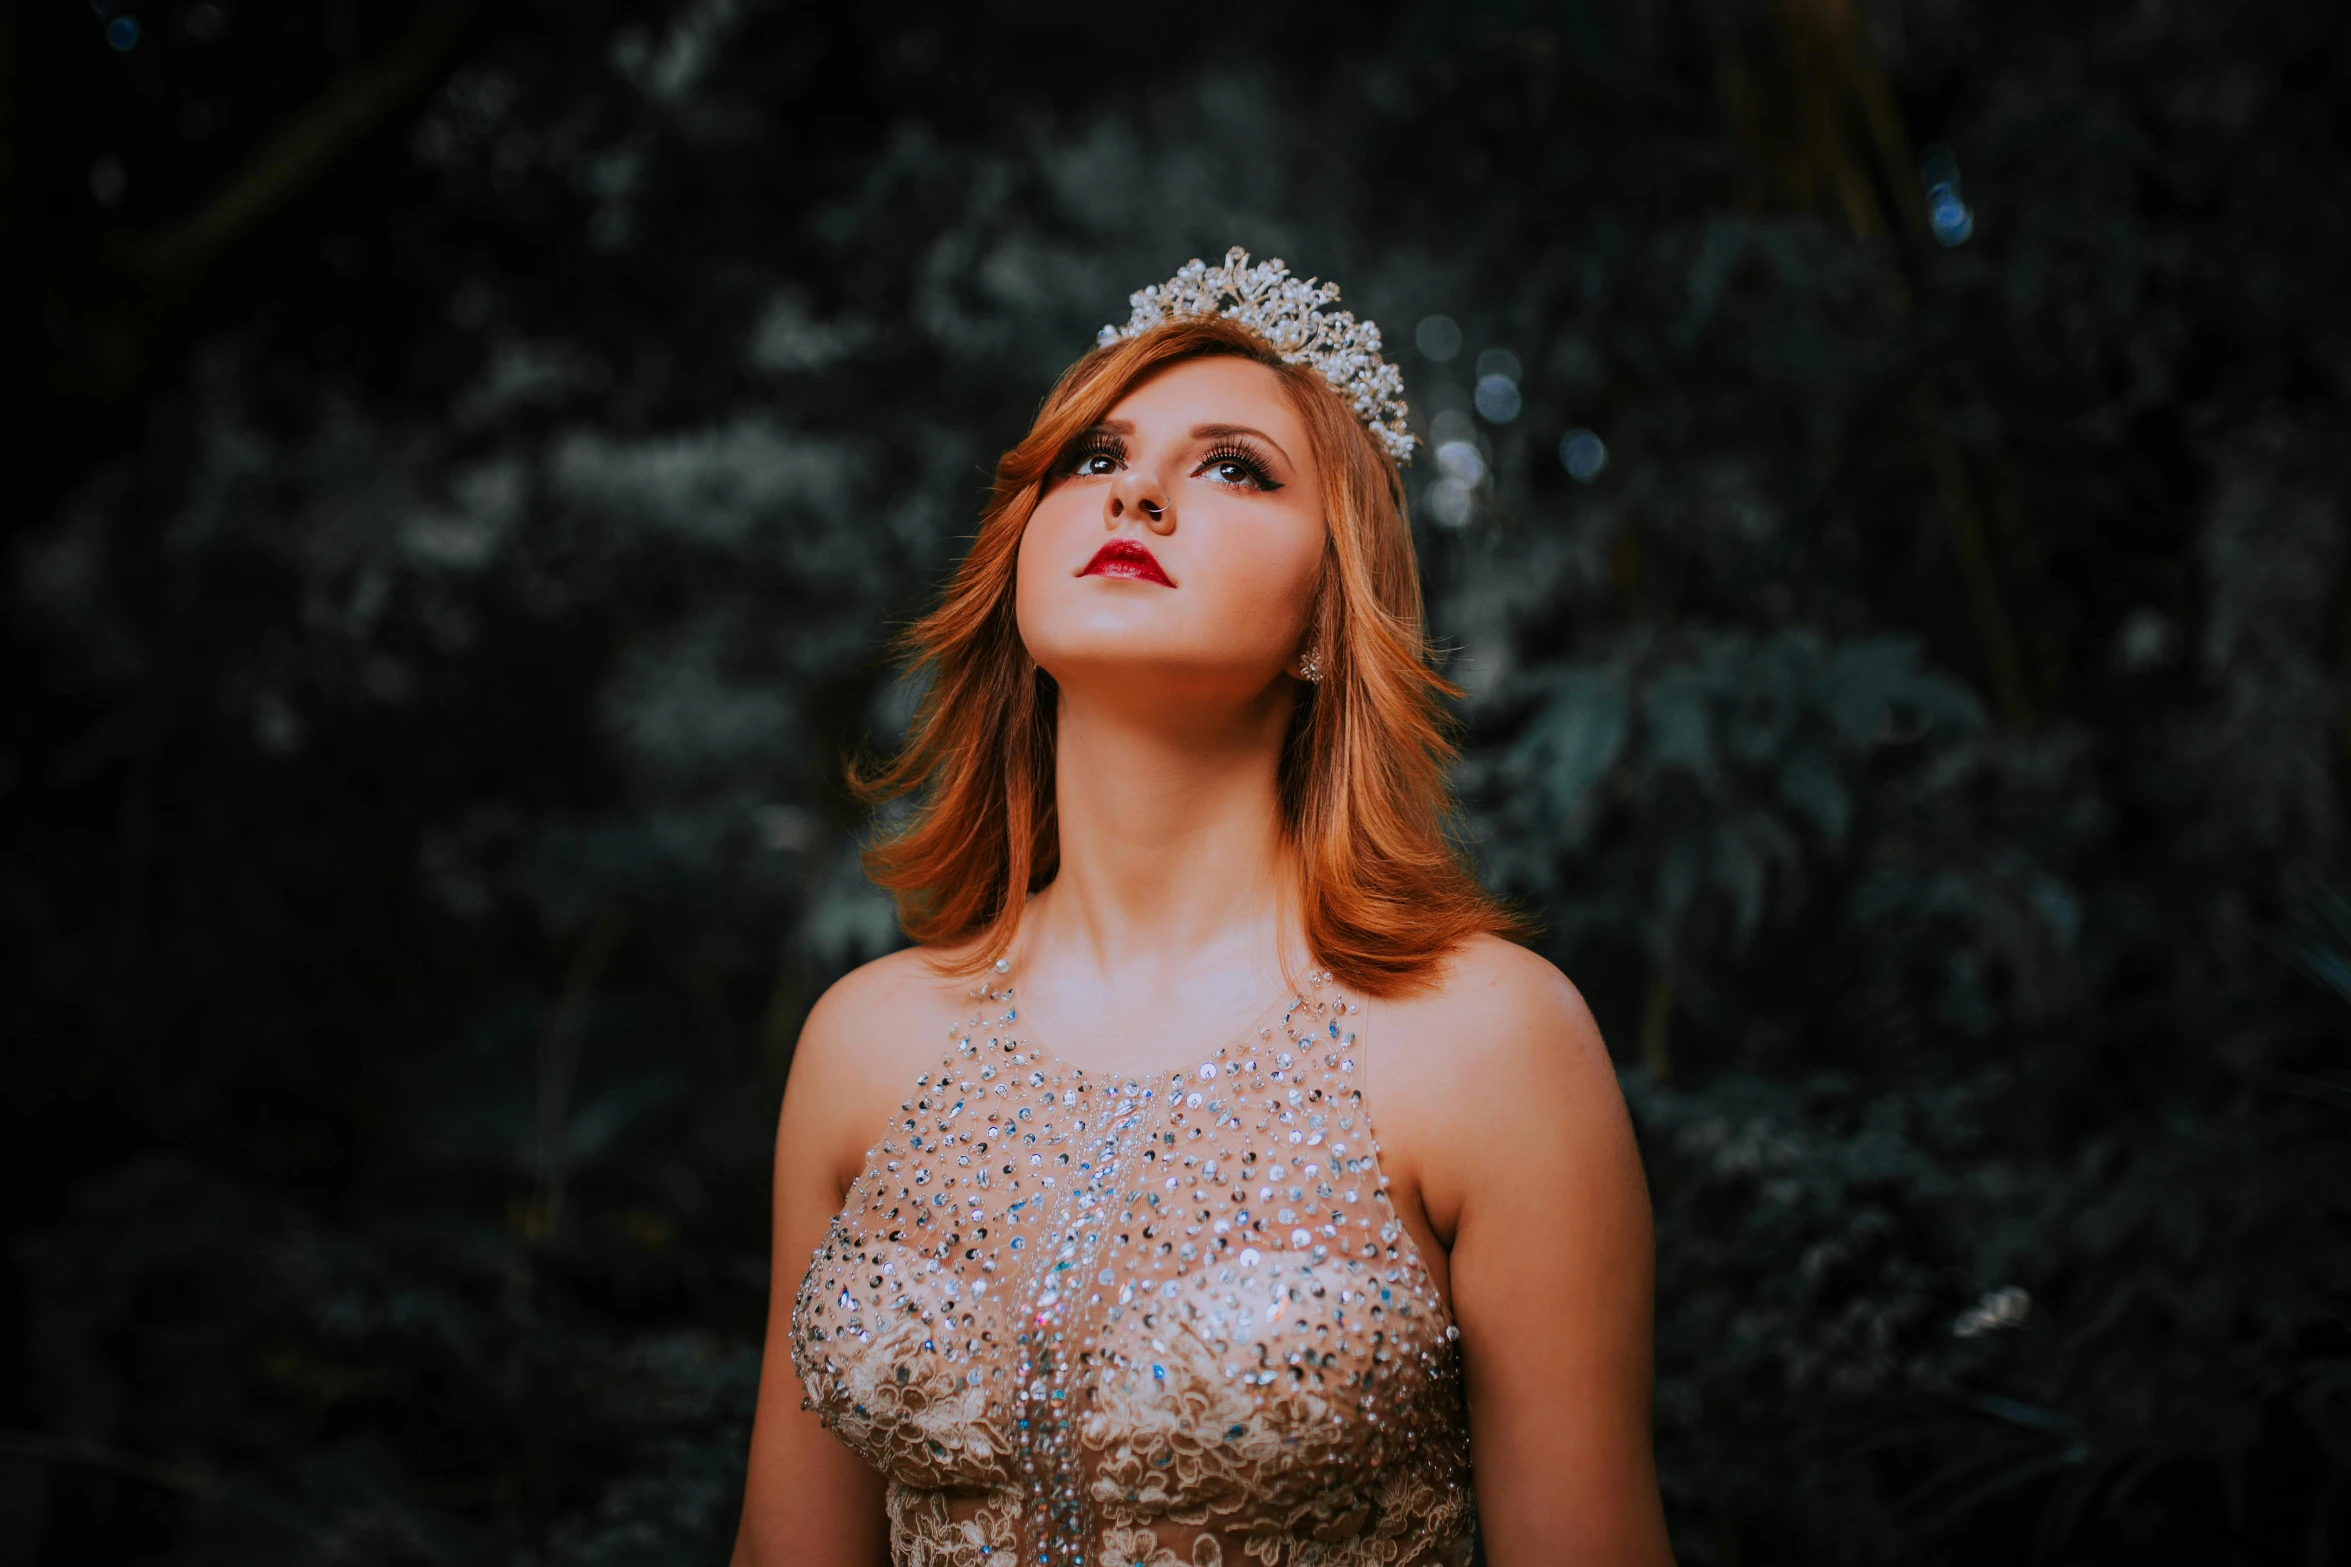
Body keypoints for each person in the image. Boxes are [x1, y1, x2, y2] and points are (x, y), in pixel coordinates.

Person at [731, 250, 1673, 1566]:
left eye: (1235, 465)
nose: (1136, 489)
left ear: (1324, 610)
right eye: (1091, 456)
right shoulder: (863, 1045)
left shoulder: (1485, 1039)